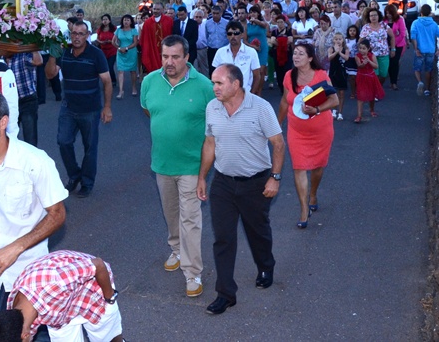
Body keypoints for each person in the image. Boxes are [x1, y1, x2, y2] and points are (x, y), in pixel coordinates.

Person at [0, 90, 68, 342]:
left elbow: (58, 214)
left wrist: (15, 248)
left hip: (28, 275)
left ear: (3, 122)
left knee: (30, 337)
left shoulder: (35, 162)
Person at [196, 64, 285, 315]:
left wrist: (275, 178)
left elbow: (278, 143)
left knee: (257, 231)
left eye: (219, 83)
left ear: (236, 85)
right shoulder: (212, 107)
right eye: (213, 83)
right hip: (223, 183)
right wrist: (202, 177)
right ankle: (225, 294)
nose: (214, 88)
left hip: (256, 183)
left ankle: (265, 265)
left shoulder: (260, 107)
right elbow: (210, 143)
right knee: (223, 238)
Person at [141, 35, 214, 298]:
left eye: (175, 57)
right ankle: (176, 249)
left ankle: (192, 272)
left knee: (190, 218)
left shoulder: (204, 86)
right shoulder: (150, 82)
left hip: (192, 166)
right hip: (162, 163)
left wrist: (204, 171)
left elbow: (213, 128)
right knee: (171, 213)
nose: (169, 62)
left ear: (187, 58)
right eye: (165, 56)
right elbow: (150, 111)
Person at [0, 250, 123, 342]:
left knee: (110, 339)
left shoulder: (56, 282)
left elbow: (98, 265)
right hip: (59, 314)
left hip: (91, 293)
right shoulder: (14, 319)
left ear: (24, 336)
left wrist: (110, 298)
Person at [46, 21, 112, 198]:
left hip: (90, 110)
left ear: (87, 35)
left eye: (81, 34)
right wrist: (52, 54)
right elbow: (50, 74)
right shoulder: (64, 52)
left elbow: (106, 81)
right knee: (63, 142)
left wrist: (107, 107)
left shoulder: (96, 54)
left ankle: (87, 183)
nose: (76, 37)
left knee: (90, 147)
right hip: (68, 108)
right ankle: (74, 175)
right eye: (74, 33)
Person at [277, 43, 339, 228]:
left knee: (318, 167)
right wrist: (277, 125)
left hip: (321, 131)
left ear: (310, 58)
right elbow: (284, 101)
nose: (296, 57)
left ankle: (313, 193)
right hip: (296, 131)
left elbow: (334, 100)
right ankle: (304, 210)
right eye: (294, 53)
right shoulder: (289, 76)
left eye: (300, 54)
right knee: (299, 167)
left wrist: (317, 109)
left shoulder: (321, 76)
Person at [4, 51, 43, 147]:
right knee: (9, 139)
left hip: (27, 100)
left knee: (30, 140)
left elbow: (38, 61)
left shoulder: (25, 53)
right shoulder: (1, 57)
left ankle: (31, 157)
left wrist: (34, 47)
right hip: (9, 103)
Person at [212, 21, 261, 93]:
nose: (233, 36)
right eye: (230, 34)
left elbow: (257, 76)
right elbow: (215, 76)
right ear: (227, 36)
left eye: (236, 33)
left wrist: (251, 95)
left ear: (242, 35)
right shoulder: (220, 52)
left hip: (245, 93)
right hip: (225, 94)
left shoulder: (251, 52)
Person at [359, 8, 395, 86]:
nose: (373, 17)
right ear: (369, 17)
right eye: (371, 16)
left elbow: (392, 36)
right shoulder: (366, 27)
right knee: (375, 75)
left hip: (384, 53)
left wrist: (393, 49)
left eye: (375, 15)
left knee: (383, 74)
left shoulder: (384, 25)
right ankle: (375, 89)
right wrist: (361, 52)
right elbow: (360, 41)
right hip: (372, 55)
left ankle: (378, 87)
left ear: (379, 16)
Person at [354, 39, 385, 122]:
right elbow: (359, 66)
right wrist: (363, 64)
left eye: (364, 48)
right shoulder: (357, 56)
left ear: (368, 49)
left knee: (372, 95)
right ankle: (359, 116)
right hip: (361, 77)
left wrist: (369, 61)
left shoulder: (372, 55)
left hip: (371, 77)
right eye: (360, 48)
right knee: (360, 96)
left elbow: (376, 66)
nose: (361, 50)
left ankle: (372, 110)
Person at [411, 4, 439, 97]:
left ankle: (420, 82)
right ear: (430, 12)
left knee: (417, 68)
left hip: (420, 49)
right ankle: (427, 89)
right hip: (431, 50)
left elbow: (413, 37)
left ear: (421, 12)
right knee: (428, 69)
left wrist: (416, 49)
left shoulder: (415, 23)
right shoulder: (434, 24)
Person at [138, 2, 174, 73]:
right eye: (154, 9)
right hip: (152, 51)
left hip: (166, 50)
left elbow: (172, 36)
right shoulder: (147, 23)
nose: (155, 11)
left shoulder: (169, 21)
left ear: (162, 10)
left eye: (158, 9)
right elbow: (144, 39)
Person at [112, 14, 139, 99]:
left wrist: (126, 48)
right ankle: (121, 91)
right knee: (120, 71)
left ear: (131, 22)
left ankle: (134, 87)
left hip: (131, 52)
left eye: (127, 20)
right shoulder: (118, 30)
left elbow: (135, 42)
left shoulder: (134, 30)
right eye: (124, 20)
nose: (126, 22)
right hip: (120, 52)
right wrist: (119, 48)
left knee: (133, 71)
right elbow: (113, 41)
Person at [383, 4, 407, 90]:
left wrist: (393, 43)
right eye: (387, 13)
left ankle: (394, 82)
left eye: (390, 13)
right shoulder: (384, 21)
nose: (388, 15)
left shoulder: (400, 19)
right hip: (386, 44)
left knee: (395, 62)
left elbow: (402, 34)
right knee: (389, 63)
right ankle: (391, 81)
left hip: (398, 44)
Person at [327, 33, 350, 120]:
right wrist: (336, 52)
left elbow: (346, 58)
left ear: (343, 40)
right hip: (333, 72)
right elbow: (329, 58)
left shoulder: (345, 49)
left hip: (342, 73)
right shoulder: (331, 48)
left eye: (340, 39)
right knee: (333, 92)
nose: (338, 41)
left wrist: (339, 52)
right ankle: (334, 111)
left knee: (341, 93)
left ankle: (340, 113)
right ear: (333, 40)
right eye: (336, 39)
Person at [205, 5, 229, 77]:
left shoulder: (226, 23)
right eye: (213, 13)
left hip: (223, 50)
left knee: (224, 69)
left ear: (221, 13)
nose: (215, 15)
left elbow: (228, 36)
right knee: (212, 69)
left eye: (217, 13)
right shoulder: (207, 23)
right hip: (211, 50)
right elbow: (207, 36)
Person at [96, 14, 118, 86]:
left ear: (109, 20)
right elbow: (97, 39)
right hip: (103, 50)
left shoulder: (114, 28)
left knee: (110, 66)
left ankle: (113, 80)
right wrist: (101, 42)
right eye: (103, 19)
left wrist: (111, 41)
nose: (104, 21)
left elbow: (117, 38)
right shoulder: (100, 29)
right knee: (104, 67)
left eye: (106, 19)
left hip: (112, 50)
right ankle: (107, 81)